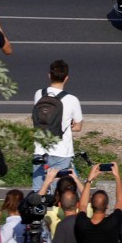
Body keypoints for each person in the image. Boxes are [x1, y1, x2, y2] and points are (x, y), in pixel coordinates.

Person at [32, 59, 84, 191]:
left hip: (40, 150)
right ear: (66, 78)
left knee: (39, 191)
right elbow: (78, 127)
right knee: (61, 191)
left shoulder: (39, 94)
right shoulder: (72, 100)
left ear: (49, 75)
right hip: (62, 151)